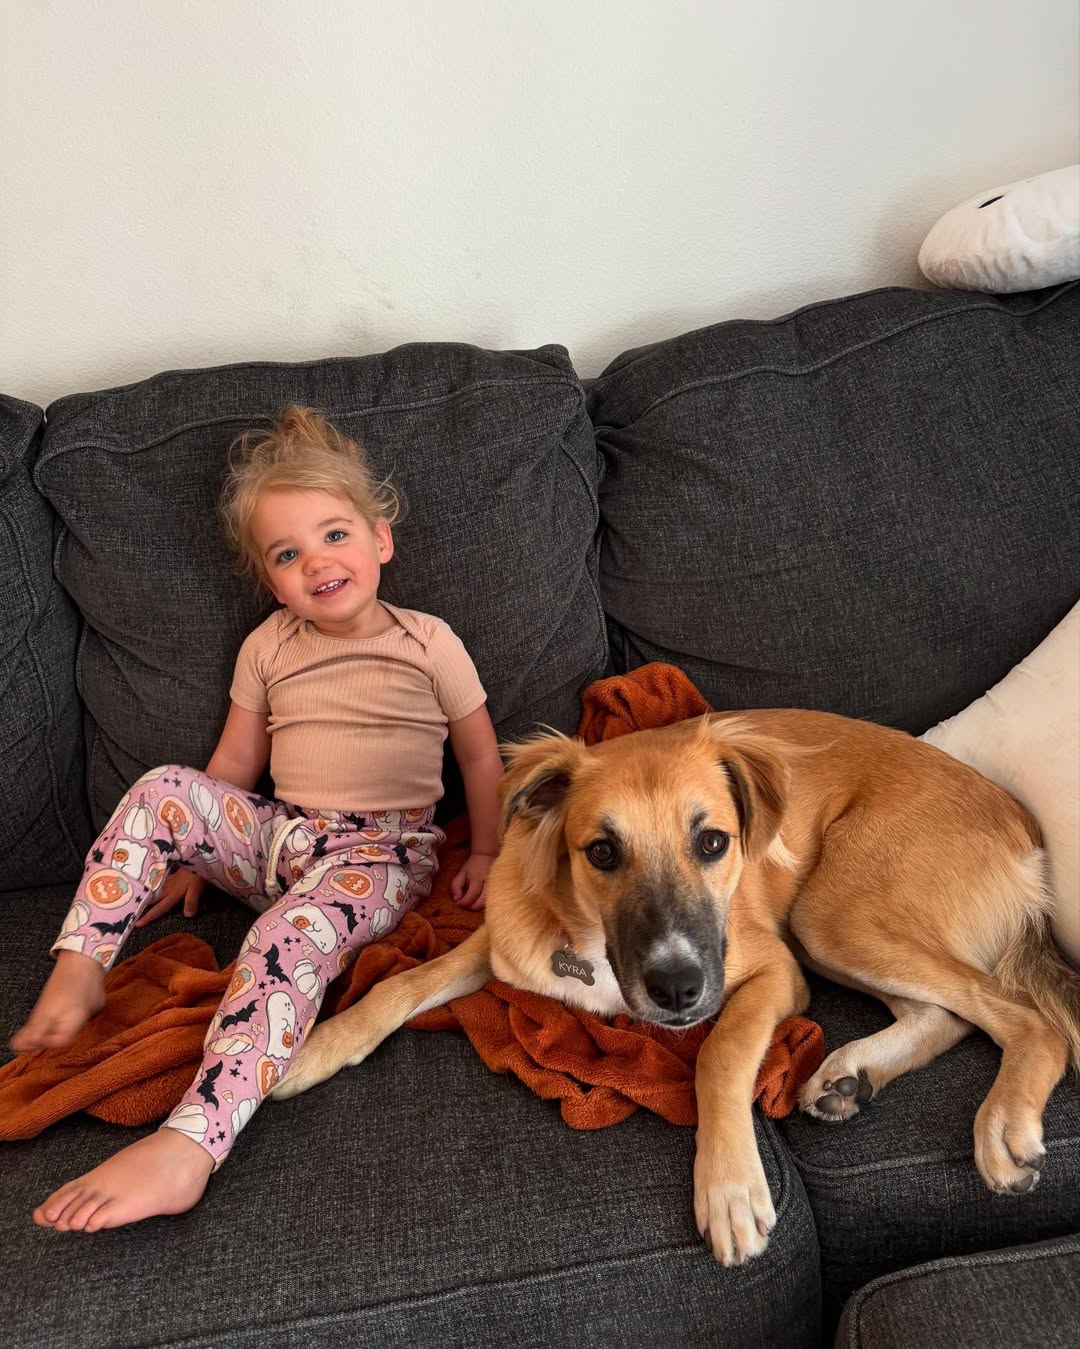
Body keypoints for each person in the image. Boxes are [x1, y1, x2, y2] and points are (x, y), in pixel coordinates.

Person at [11, 405, 503, 1230]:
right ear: (272, 581)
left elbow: (482, 757)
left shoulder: (428, 643)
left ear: (381, 539)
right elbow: (234, 765)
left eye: (335, 535)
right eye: (287, 553)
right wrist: (194, 856)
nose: (317, 561)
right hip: (282, 838)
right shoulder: (269, 646)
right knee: (164, 786)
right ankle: (83, 959)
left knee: (281, 938)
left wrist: (486, 849)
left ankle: (191, 1144)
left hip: (379, 857)